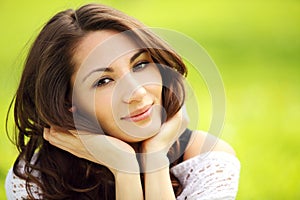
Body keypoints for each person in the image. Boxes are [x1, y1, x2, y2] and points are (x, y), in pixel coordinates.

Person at [5, 3, 240, 200]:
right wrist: (125, 168)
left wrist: (155, 158)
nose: (136, 93)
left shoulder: (205, 160)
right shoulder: (34, 178)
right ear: (68, 103)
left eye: (140, 65)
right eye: (104, 81)